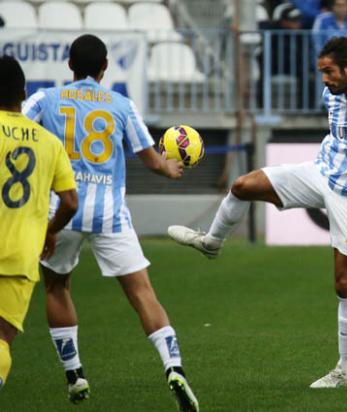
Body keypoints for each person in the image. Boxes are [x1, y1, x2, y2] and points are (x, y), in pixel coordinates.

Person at [168, 36, 347, 388]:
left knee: (344, 283)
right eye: (321, 72)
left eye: (328, 72)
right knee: (243, 186)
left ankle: (344, 370)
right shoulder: (332, 95)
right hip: (318, 173)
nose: (323, 80)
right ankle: (212, 243)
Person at [22, 34, 199, 412]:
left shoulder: (46, 100)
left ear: (69, 65)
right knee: (142, 293)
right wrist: (169, 168)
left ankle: (75, 375)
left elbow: (16, 132)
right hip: (110, 214)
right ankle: (173, 367)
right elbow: (150, 159)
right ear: (105, 69)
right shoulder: (121, 104)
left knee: (56, 287)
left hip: (60, 212)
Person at [0, 55, 78, 392]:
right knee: (3, 338)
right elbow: (71, 201)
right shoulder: (49, 142)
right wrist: (50, 230)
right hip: (19, 255)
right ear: (24, 92)